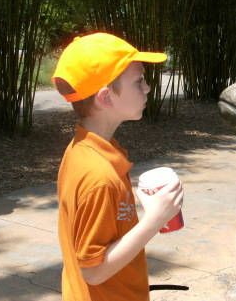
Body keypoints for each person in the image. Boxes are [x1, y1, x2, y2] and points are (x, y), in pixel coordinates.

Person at [51, 33, 184, 301]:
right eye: (139, 82)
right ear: (107, 98)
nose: (147, 88)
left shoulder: (84, 149)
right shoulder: (98, 175)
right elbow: (94, 271)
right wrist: (155, 219)